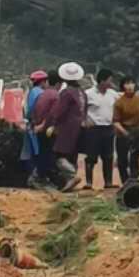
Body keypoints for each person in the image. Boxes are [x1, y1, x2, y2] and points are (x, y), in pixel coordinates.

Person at [50, 61, 87, 189]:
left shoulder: (66, 93)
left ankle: (71, 175)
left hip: (67, 127)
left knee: (59, 155)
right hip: (79, 127)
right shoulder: (82, 92)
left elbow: (59, 111)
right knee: (73, 155)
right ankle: (71, 181)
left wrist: (53, 124)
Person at [82, 66, 118, 190]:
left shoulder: (113, 94)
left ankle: (108, 182)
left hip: (108, 128)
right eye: (109, 80)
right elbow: (82, 109)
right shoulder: (88, 94)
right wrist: (85, 120)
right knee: (91, 156)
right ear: (102, 81)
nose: (111, 83)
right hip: (94, 129)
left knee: (108, 156)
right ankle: (89, 183)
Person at [113, 75, 139, 182]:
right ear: (123, 86)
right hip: (123, 131)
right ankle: (125, 181)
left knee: (134, 158)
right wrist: (125, 133)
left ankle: (134, 180)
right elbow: (116, 122)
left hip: (138, 131)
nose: (130, 86)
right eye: (127, 83)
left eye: (132, 83)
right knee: (122, 160)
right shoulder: (119, 102)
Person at [29, 68, 62, 187]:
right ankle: (42, 178)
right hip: (47, 129)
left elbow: (33, 111)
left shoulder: (42, 94)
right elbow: (53, 114)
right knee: (49, 155)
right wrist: (44, 125)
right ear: (58, 84)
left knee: (43, 153)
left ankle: (40, 177)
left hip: (38, 128)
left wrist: (36, 124)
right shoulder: (56, 96)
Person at [21, 69, 47, 177]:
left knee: (30, 150)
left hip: (31, 124)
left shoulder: (32, 92)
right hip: (36, 125)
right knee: (36, 151)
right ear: (42, 82)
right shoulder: (40, 93)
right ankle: (35, 175)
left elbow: (27, 111)